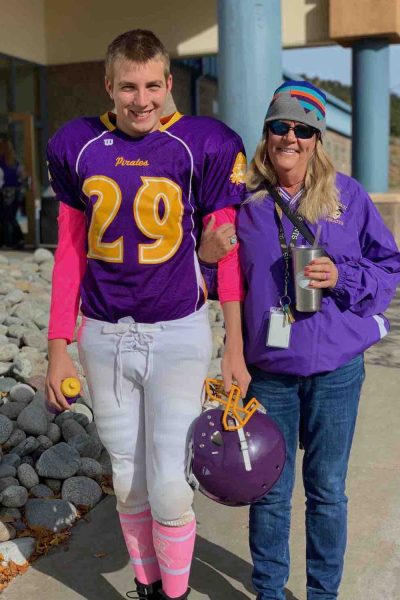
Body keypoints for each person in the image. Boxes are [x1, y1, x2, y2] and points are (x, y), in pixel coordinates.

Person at [45, 29, 250, 600]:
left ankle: (176, 594)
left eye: (153, 85)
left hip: (179, 332)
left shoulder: (200, 143)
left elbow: (226, 251)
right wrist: (58, 344)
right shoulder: (77, 145)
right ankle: (147, 587)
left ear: (169, 84)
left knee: (169, 487)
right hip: (105, 335)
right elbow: (69, 254)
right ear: (108, 86)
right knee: (129, 483)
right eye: (129, 87)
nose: (142, 100)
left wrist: (233, 346)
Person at [199, 80, 400, 599]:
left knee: (328, 491)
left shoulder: (348, 197)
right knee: (269, 491)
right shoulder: (243, 204)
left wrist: (343, 277)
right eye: (280, 126)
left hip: (336, 373)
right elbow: (221, 284)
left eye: (303, 128)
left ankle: (322, 594)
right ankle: (269, 591)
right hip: (270, 373)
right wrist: (203, 255)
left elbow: (388, 267)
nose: (291, 136)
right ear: (266, 134)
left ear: (318, 138)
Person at [0, 136, 24, 248]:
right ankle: (19, 239)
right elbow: (21, 174)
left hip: (7, 191)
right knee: (12, 217)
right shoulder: (15, 160)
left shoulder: (2, 160)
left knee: (6, 217)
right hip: (17, 191)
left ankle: (9, 242)